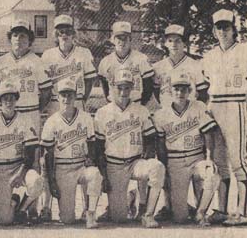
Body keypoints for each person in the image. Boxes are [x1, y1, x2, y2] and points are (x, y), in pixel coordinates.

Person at [0, 19, 53, 222]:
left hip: (29, 112)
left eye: (23, 35)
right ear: (10, 38)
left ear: (30, 40)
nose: (19, 39)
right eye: (15, 35)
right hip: (8, 113)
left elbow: (45, 91)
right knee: (7, 155)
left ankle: (31, 207)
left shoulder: (37, 61)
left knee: (32, 160)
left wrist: (35, 108)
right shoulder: (1, 61)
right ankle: (6, 203)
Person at [150, 24, 210, 222]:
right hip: (167, 117)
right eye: (170, 40)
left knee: (196, 166)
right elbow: (155, 92)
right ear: (165, 43)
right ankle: (170, 205)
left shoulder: (193, 64)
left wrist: (193, 114)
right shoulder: (158, 67)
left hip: (190, 115)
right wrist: (166, 111)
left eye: (178, 40)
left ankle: (198, 206)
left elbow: (201, 92)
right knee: (167, 164)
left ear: (184, 43)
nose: (174, 44)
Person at [94, 69, 165, 228]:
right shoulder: (102, 113)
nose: (123, 91)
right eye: (119, 87)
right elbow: (98, 147)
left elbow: (150, 138)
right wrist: (104, 176)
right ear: (112, 87)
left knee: (156, 167)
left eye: (127, 87)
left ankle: (147, 214)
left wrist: (147, 159)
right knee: (119, 218)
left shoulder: (141, 110)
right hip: (114, 165)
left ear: (132, 88)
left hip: (135, 163)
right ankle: (130, 196)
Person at [153, 73, 222, 226]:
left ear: (189, 91)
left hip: (196, 158)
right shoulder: (160, 115)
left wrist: (209, 157)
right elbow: (160, 144)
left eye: (184, 89)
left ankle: (200, 212)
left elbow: (208, 134)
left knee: (212, 172)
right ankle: (186, 208)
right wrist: (165, 167)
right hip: (175, 162)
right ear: (170, 92)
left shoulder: (198, 106)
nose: (180, 93)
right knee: (180, 218)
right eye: (176, 89)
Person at [201, 8, 247, 225]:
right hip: (216, 106)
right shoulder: (209, 56)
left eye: (226, 27)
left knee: (239, 159)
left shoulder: (245, 50)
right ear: (213, 30)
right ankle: (221, 209)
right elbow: (204, 87)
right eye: (218, 27)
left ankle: (242, 212)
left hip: (238, 105)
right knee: (219, 160)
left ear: (234, 29)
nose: (222, 31)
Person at [0, 80, 45, 226]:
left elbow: (30, 152)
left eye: (12, 98)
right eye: (5, 99)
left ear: (16, 100)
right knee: (6, 220)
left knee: (37, 181)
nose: (9, 102)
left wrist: (21, 172)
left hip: (19, 165)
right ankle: (13, 201)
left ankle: (21, 209)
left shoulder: (25, 120)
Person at [41, 79, 102, 228]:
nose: (66, 98)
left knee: (94, 174)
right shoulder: (51, 121)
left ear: (75, 96)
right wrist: (52, 180)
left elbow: (92, 143)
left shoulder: (86, 118)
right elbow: (48, 154)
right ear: (58, 97)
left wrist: (91, 158)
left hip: (81, 166)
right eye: (63, 95)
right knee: (67, 219)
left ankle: (91, 213)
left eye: (70, 95)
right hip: (62, 168)